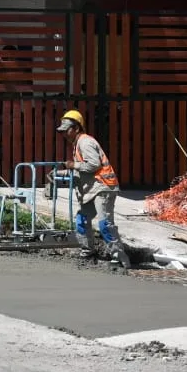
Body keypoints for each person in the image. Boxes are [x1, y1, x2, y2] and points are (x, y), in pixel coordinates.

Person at [56, 109, 131, 268]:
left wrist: (72, 164)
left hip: (103, 187)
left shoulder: (85, 142)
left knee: (105, 223)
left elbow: (93, 164)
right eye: (62, 131)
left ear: (76, 128)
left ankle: (120, 257)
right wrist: (61, 172)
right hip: (92, 189)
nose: (64, 134)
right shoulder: (77, 144)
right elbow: (80, 168)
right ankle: (87, 252)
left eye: (66, 130)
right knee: (81, 220)